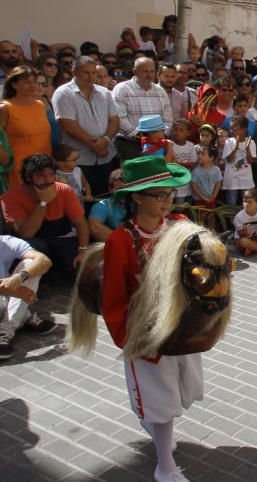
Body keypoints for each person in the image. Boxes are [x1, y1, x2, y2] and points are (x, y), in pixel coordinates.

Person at [100, 155, 197, 482]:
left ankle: (155, 429)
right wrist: (132, 338)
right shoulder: (121, 240)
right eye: (159, 195)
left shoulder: (179, 226)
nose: (167, 201)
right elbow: (113, 298)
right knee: (161, 399)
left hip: (181, 326)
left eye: (170, 194)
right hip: (147, 332)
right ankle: (164, 466)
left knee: (182, 390)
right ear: (136, 197)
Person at [2, 154, 89, 280]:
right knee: (34, 246)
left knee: (74, 268)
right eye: (42, 176)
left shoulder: (64, 190)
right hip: (35, 242)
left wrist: (83, 251)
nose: (48, 180)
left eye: (51, 174)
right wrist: (42, 203)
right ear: (28, 177)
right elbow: (27, 233)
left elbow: (80, 223)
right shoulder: (10, 198)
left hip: (60, 237)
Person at [52, 56, 119, 196]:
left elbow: (114, 119)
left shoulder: (104, 92)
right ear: (74, 72)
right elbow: (68, 125)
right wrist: (95, 146)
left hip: (105, 155)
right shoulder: (63, 93)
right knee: (81, 198)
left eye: (93, 72)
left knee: (103, 195)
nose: (91, 77)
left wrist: (105, 140)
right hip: (78, 159)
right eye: (86, 72)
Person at [0, 235, 56, 361]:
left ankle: (5, 330)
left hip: (3, 299)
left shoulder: (5, 242)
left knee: (30, 265)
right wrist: (12, 291)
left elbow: (44, 261)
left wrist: (19, 277)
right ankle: (21, 317)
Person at [0, 66, 53, 190]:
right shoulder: (5, 109)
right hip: (18, 170)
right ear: (14, 85)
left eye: (35, 81)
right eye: (27, 82)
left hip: (44, 168)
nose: (33, 85)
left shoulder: (40, 105)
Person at [112, 56, 173, 161]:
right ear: (135, 71)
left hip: (157, 143)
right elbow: (120, 117)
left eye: (152, 71)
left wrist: (161, 135)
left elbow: (168, 118)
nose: (149, 75)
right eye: (145, 71)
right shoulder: (122, 89)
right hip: (130, 143)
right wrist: (137, 135)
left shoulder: (160, 91)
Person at [88, 168, 127, 242]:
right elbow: (94, 227)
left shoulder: (141, 201)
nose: (124, 193)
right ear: (110, 189)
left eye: (128, 188)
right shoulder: (102, 205)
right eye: (120, 189)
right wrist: (124, 244)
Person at [233, 188, 257, 256]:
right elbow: (240, 234)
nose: (246, 204)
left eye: (250, 202)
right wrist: (246, 232)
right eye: (244, 201)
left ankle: (253, 249)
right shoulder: (239, 217)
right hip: (245, 239)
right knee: (243, 241)